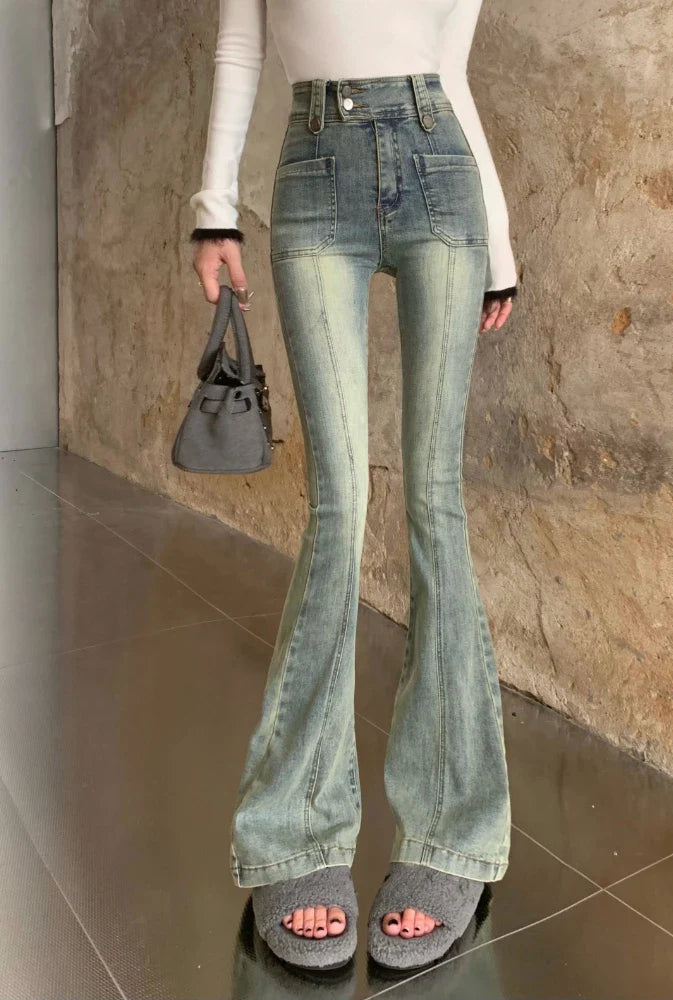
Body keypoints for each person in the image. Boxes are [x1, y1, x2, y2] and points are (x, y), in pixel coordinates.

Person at [190, 0, 516, 973]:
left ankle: (453, 833)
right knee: (339, 508)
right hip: (315, 172)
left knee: (435, 502)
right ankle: (295, 834)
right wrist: (213, 206)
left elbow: (452, 74)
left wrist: (499, 245)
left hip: (440, 171)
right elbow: (241, 42)